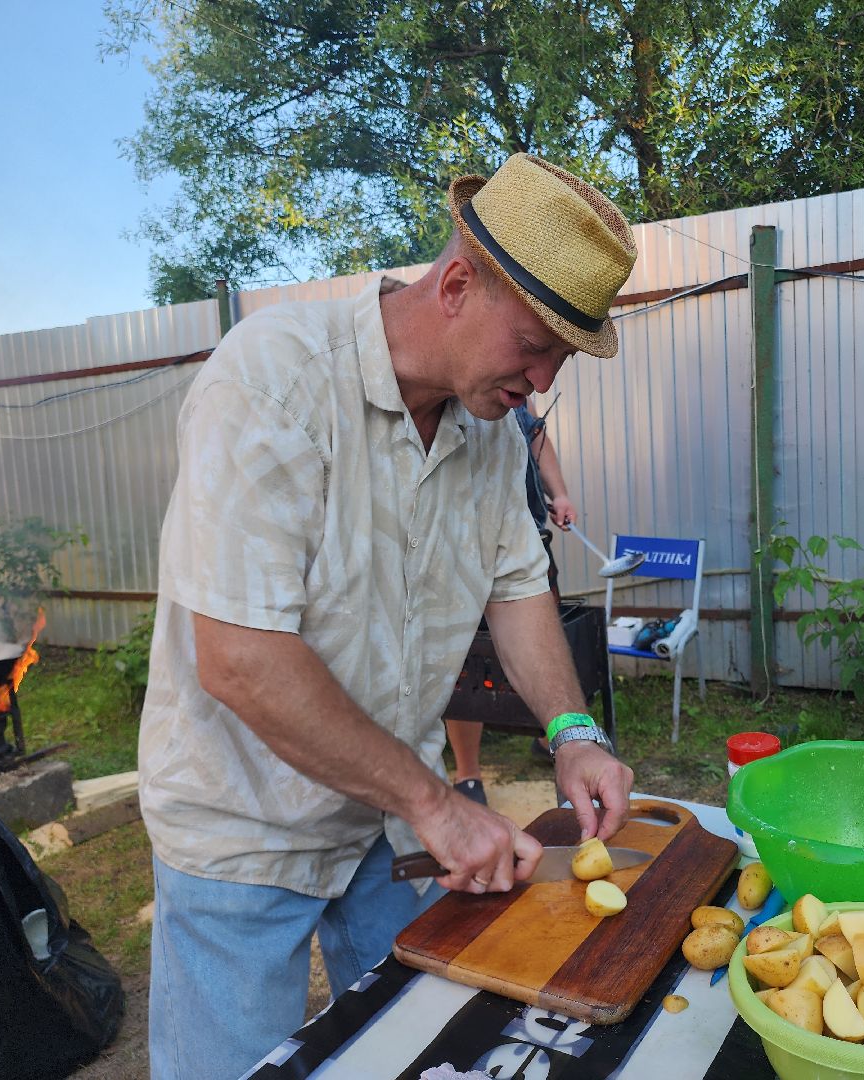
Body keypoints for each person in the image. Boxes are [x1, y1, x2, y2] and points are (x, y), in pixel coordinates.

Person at [138, 152, 638, 1079]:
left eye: (557, 365)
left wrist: (572, 732)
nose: (538, 381)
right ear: (456, 284)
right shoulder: (274, 382)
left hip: (387, 830)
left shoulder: (487, 430)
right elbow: (240, 659)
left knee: (419, 1053)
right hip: (244, 828)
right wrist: (435, 801)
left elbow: (519, 589)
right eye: (532, 348)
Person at [444, 403, 577, 804]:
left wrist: (561, 493)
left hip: (531, 542)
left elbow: (537, 437)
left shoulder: (518, 395)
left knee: (545, 643)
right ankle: (468, 774)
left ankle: (550, 737)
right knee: (466, 667)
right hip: (460, 552)